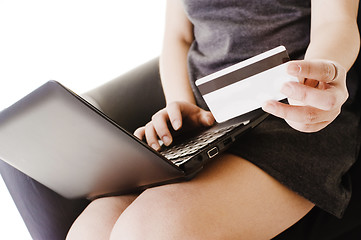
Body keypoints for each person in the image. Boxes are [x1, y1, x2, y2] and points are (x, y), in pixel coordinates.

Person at [39, 0, 361, 239]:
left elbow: (335, 22)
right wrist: (179, 104)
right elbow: (177, 36)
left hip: (289, 113)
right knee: (89, 231)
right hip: (210, 122)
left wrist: (321, 76)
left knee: (147, 229)